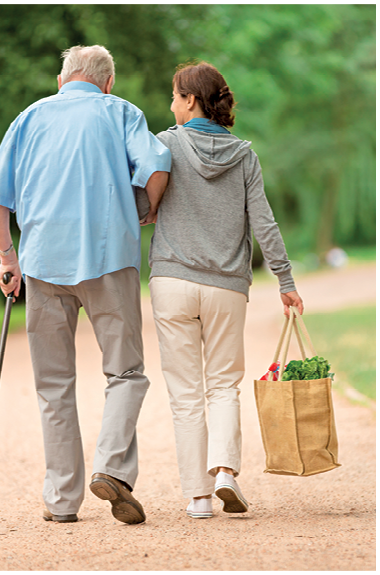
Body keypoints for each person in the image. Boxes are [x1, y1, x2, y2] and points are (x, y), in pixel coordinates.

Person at [0, 45, 171, 525]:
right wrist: (144, 210)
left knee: (53, 385)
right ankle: (111, 468)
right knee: (126, 373)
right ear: (107, 82)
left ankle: (62, 501)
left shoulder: (28, 118)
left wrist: (9, 259)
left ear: (62, 79)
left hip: (44, 264)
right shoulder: (122, 112)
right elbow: (158, 166)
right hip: (109, 259)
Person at [137, 61, 303, 519]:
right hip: (227, 286)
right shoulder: (245, 155)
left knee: (186, 393)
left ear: (190, 100)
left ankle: (197, 498)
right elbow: (263, 223)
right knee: (223, 385)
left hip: (172, 281)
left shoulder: (165, 144)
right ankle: (226, 470)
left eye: (174, 97)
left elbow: (140, 202)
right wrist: (284, 281)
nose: (170, 106)